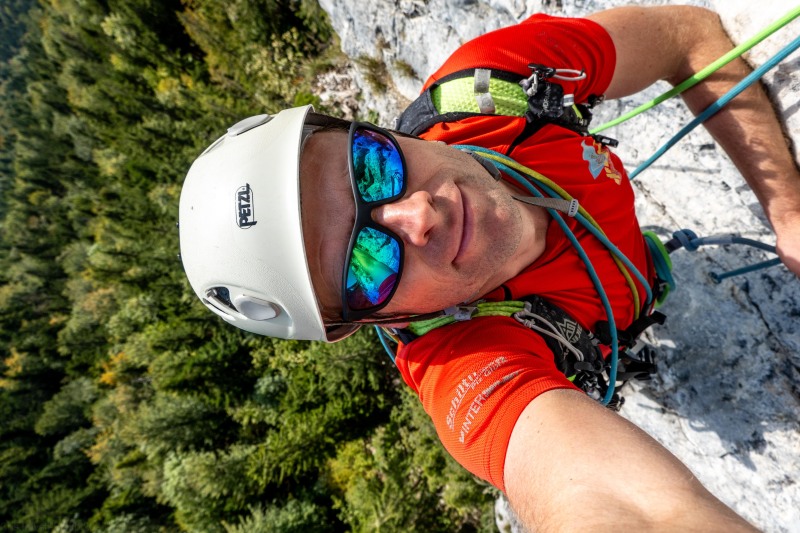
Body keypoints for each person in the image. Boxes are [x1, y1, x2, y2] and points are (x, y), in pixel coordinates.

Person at [179, 5, 799, 530]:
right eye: (365, 262)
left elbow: (688, 36)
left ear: (368, 127)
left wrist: (789, 212)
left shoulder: (494, 89)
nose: (416, 214)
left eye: (371, 165)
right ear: (367, 322)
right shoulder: (462, 365)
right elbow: (620, 504)